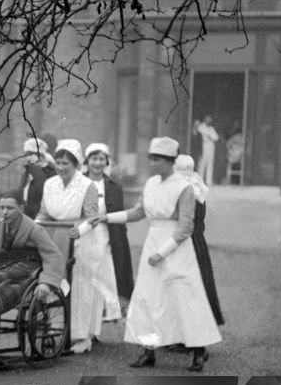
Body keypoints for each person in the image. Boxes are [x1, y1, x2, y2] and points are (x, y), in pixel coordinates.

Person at [95, 137, 221, 371]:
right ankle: (148, 352)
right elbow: (139, 211)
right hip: (153, 242)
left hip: (175, 248)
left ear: (171, 161)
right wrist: (107, 217)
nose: (153, 163)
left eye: (158, 159)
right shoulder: (151, 183)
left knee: (183, 299)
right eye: (151, 158)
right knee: (148, 298)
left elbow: (185, 227)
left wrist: (162, 253)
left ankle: (198, 351)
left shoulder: (184, 187)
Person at [37, 139, 103, 355]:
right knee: (57, 282)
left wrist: (80, 231)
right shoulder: (50, 184)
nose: (61, 167)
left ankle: (83, 337)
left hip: (81, 238)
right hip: (55, 237)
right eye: (58, 162)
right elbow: (44, 213)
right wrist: (35, 228)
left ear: (76, 164)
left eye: (66, 163)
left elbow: (93, 217)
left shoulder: (87, 185)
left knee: (81, 288)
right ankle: (57, 329)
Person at [0, 190, 66, 317]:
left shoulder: (34, 229)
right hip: (3, 267)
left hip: (27, 270)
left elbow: (52, 255)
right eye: (1, 207)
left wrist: (46, 282)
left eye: (10, 208)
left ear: (21, 208)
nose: (5, 212)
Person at [175, 154, 225, 327]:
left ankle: (187, 333)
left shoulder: (186, 189)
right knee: (197, 286)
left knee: (187, 287)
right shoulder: (197, 186)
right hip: (197, 241)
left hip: (186, 241)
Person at [83, 143, 132, 318]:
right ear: (87, 161)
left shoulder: (113, 185)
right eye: (93, 158)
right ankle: (87, 321)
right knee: (86, 278)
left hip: (107, 234)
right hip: (84, 235)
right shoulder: (79, 182)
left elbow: (118, 213)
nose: (97, 163)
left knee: (108, 275)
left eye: (101, 159)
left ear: (106, 161)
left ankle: (112, 314)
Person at [19, 135, 57, 219]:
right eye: (26, 154)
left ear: (42, 157)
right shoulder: (27, 173)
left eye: (32, 154)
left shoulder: (51, 174)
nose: (28, 157)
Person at [194, 115, 220, 186]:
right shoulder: (201, 126)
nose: (209, 120)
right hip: (204, 146)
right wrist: (209, 135)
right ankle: (200, 180)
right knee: (202, 164)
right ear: (205, 119)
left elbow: (216, 137)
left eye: (210, 119)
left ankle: (209, 181)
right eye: (208, 119)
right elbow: (197, 132)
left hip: (211, 147)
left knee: (210, 164)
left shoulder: (211, 128)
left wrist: (210, 135)